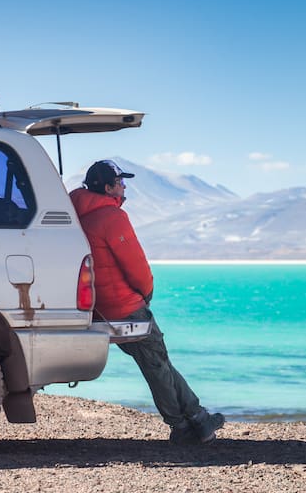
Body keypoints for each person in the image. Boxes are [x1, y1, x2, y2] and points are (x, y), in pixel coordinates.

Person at [70, 159, 225, 444]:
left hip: (99, 307)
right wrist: (146, 293)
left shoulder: (74, 214)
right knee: (156, 362)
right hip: (125, 307)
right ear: (108, 188)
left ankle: (198, 418)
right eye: (120, 182)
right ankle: (182, 426)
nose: (124, 187)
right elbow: (136, 265)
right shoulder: (112, 217)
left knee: (156, 361)